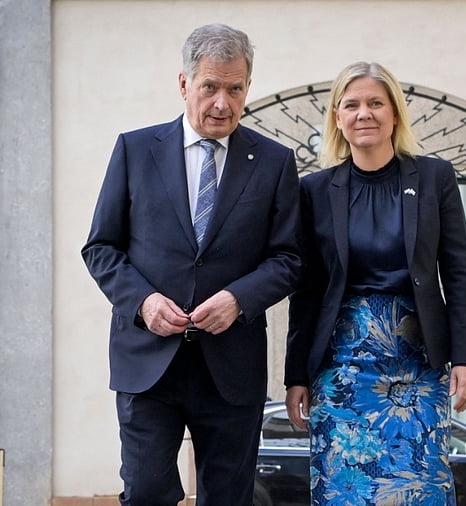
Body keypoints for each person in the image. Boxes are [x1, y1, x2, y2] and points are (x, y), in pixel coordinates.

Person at [82, 23, 301, 506]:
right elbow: (100, 248)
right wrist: (142, 302)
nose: (222, 102)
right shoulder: (135, 150)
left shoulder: (274, 161)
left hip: (231, 366)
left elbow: (288, 259)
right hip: (148, 362)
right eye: (210, 87)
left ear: (247, 88)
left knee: (228, 497)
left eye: (235, 88)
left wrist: (238, 299)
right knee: (144, 493)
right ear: (184, 84)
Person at [284, 61, 466, 505]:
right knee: (346, 493)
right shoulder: (315, 190)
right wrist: (296, 373)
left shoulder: (434, 178)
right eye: (351, 105)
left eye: (375, 103)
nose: (364, 114)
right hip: (343, 369)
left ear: (395, 113)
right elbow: (308, 290)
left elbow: (458, 272)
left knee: (419, 491)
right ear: (337, 118)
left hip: (419, 366)